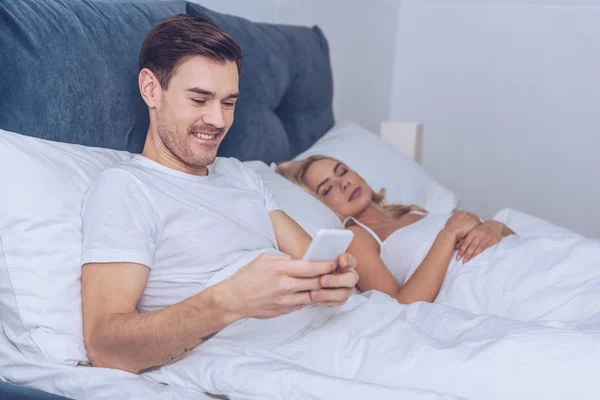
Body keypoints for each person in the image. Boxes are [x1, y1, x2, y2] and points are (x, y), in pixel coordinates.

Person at [80, 14, 360, 375]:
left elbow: (311, 261)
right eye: (200, 99)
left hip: (344, 330)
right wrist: (227, 301)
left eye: (228, 103)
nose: (218, 120)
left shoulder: (239, 174)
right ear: (151, 89)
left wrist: (338, 278)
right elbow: (104, 347)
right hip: (281, 358)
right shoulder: (127, 188)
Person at [276, 155, 516, 304]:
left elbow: (506, 237)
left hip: (515, 260)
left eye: (343, 171)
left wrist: (494, 226)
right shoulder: (356, 238)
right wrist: (448, 234)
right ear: (320, 205)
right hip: (496, 287)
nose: (345, 183)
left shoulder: (410, 211)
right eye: (328, 189)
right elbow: (399, 307)